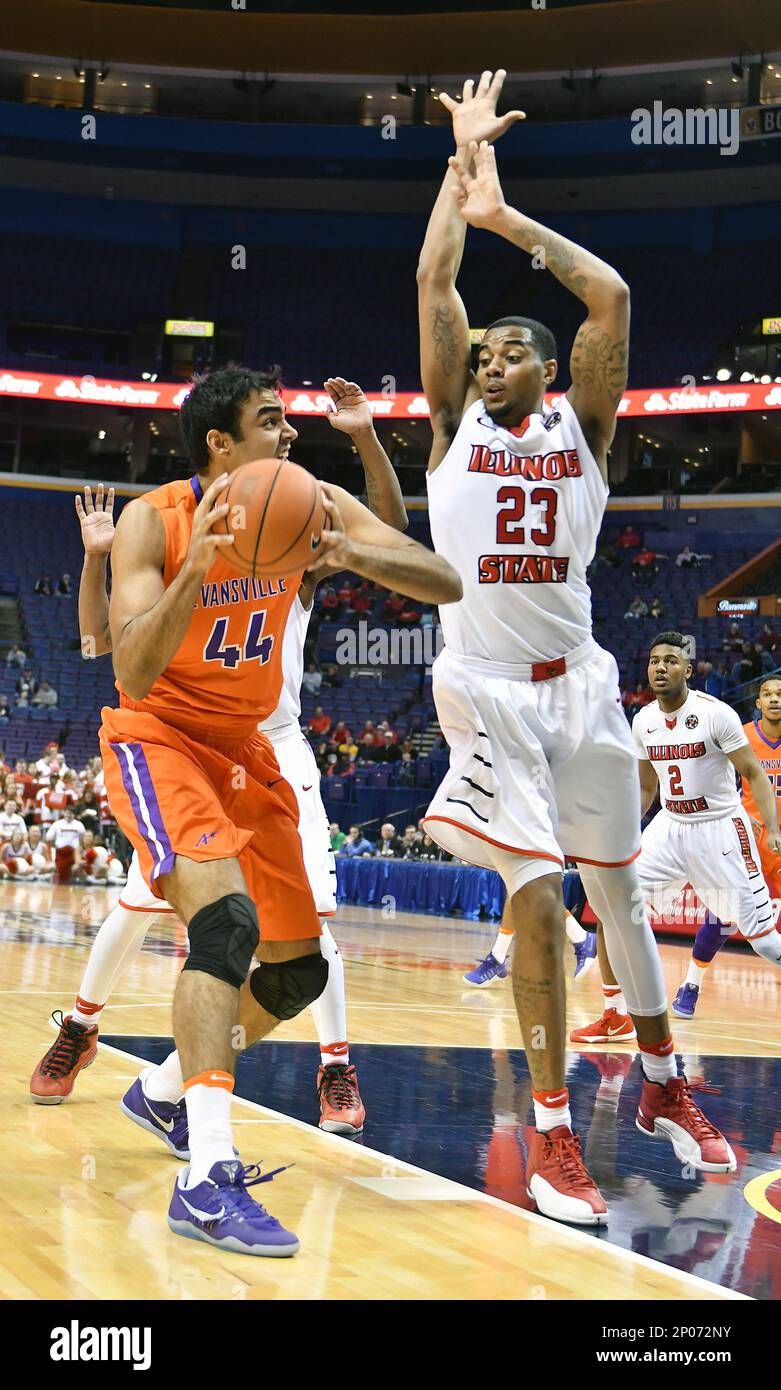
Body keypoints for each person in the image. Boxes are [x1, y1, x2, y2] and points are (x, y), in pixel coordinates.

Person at [30, 369, 458, 1257]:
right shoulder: (154, 519)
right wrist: (199, 564)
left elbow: (442, 580)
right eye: (272, 421)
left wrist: (351, 553)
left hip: (249, 747)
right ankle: (207, 1178)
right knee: (224, 927)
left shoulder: (313, 502)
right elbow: (132, 672)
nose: (292, 435)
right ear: (220, 443)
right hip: (160, 737)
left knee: (297, 970)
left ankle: (166, 1089)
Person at [416, 70, 733, 1225]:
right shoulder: (451, 427)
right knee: (537, 901)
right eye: (482, 350)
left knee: (622, 900)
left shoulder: (583, 426)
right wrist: (460, 171)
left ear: (546, 371)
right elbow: (432, 280)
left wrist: (511, 220)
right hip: (489, 693)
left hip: (584, 688)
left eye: (509, 349)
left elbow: (610, 297)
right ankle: (553, 1133)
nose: (488, 357)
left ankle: (659, 1082)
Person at [666, 674, 781, 1018]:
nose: (774, 699)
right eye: (767, 694)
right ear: (758, 702)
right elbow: (714, 782)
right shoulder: (741, 735)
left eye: (780, 694)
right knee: (721, 919)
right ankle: (691, 985)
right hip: (749, 843)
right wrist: (751, 819)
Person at [46, 806, 86, 885]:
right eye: (67, 813)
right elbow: (48, 838)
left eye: (71, 813)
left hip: (74, 853)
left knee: (76, 869)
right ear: (64, 813)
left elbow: (82, 840)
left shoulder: (79, 825)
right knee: (61, 874)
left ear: (74, 815)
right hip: (61, 853)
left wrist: (80, 853)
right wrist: (50, 857)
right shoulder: (57, 824)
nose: (69, 815)